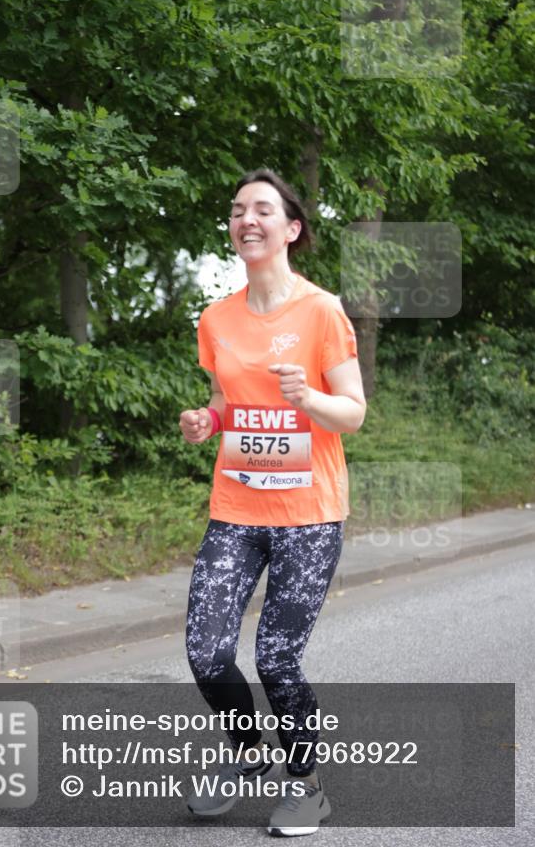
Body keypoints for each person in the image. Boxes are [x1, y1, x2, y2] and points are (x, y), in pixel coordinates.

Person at [180, 168, 366, 837]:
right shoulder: (216, 318)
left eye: (261, 209)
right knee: (205, 651)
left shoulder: (319, 310)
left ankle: (306, 785)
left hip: (307, 515)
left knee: (276, 657)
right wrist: (209, 420)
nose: (245, 219)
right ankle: (247, 756)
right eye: (236, 210)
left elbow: (351, 413)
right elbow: (228, 402)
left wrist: (307, 398)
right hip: (234, 508)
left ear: (290, 229)